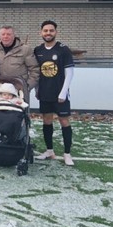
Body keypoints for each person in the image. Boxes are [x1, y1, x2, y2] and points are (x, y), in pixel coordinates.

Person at [34, 20, 75, 166]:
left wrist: (63, 93)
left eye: (51, 30)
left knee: (64, 121)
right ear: (41, 32)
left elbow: (69, 73)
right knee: (46, 120)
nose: (48, 33)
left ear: (56, 32)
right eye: (45, 31)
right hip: (45, 93)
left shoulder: (63, 49)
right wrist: (37, 89)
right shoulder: (38, 50)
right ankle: (49, 151)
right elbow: (36, 72)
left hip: (60, 94)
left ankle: (67, 153)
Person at [0, 25, 39, 98]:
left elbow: (35, 70)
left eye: (8, 34)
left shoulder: (25, 49)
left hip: (19, 91)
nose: (5, 36)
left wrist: (27, 86)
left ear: (14, 35)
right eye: (3, 34)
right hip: (0, 91)